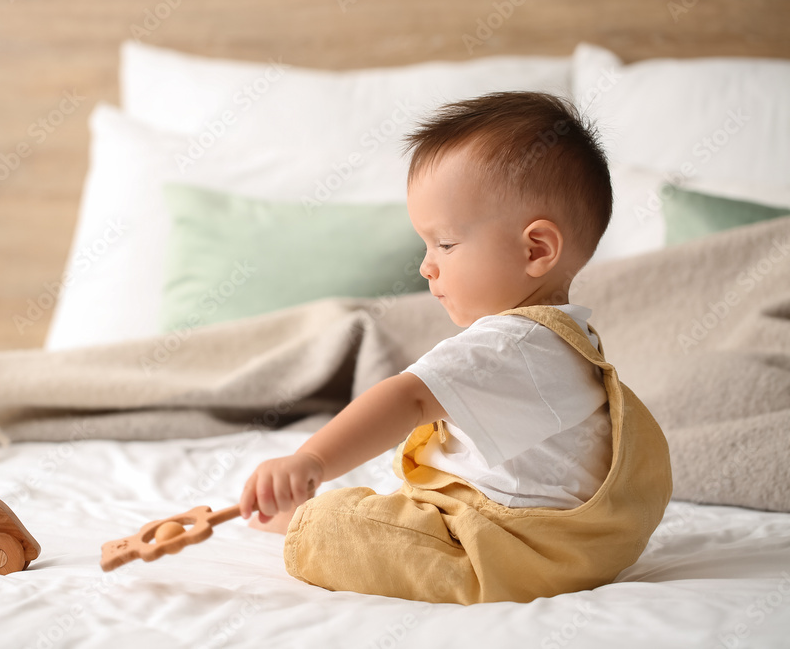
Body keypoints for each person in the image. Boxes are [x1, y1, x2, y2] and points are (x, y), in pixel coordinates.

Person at [238, 91, 672, 604]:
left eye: (444, 244)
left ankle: (301, 523)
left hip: (494, 549)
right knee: (396, 507)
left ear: (536, 250)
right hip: (573, 550)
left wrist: (310, 459)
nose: (427, 266)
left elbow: (408, 399)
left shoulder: (510, 341)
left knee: (340, 525)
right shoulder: (571, 343)